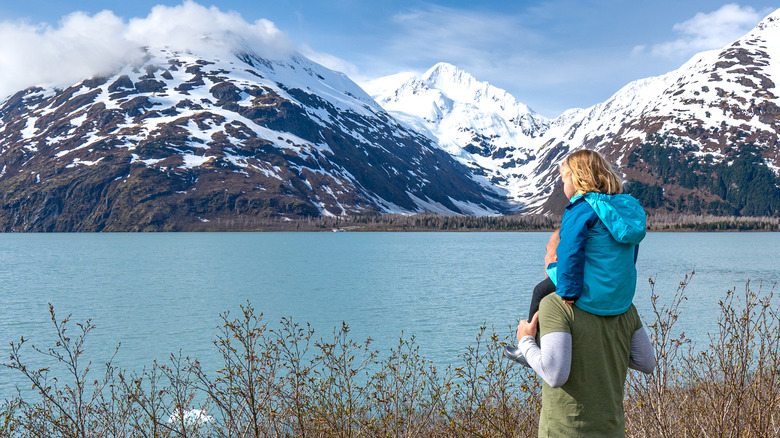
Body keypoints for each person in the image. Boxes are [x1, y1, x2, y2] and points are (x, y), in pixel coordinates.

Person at [507, 149, 655, 436]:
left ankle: (528, 343)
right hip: (617, 295)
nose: (563, 187)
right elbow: (629, 256)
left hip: (584, 292)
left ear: (577, 178)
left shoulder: (581, 207)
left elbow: (570, 250)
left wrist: (569, 292)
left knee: (541, 290)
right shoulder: (626, 210)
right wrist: (622, 294)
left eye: (564, 179)